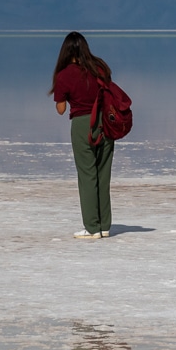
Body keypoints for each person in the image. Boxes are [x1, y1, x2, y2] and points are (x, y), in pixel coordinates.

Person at [50, 31, 115, 239]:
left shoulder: (64, 75)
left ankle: (92, 227)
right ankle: (105, 225)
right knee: (103, 175)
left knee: (87, 176)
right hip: (106, 122)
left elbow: (60, 109)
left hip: (82, 124)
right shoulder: (100, 67)